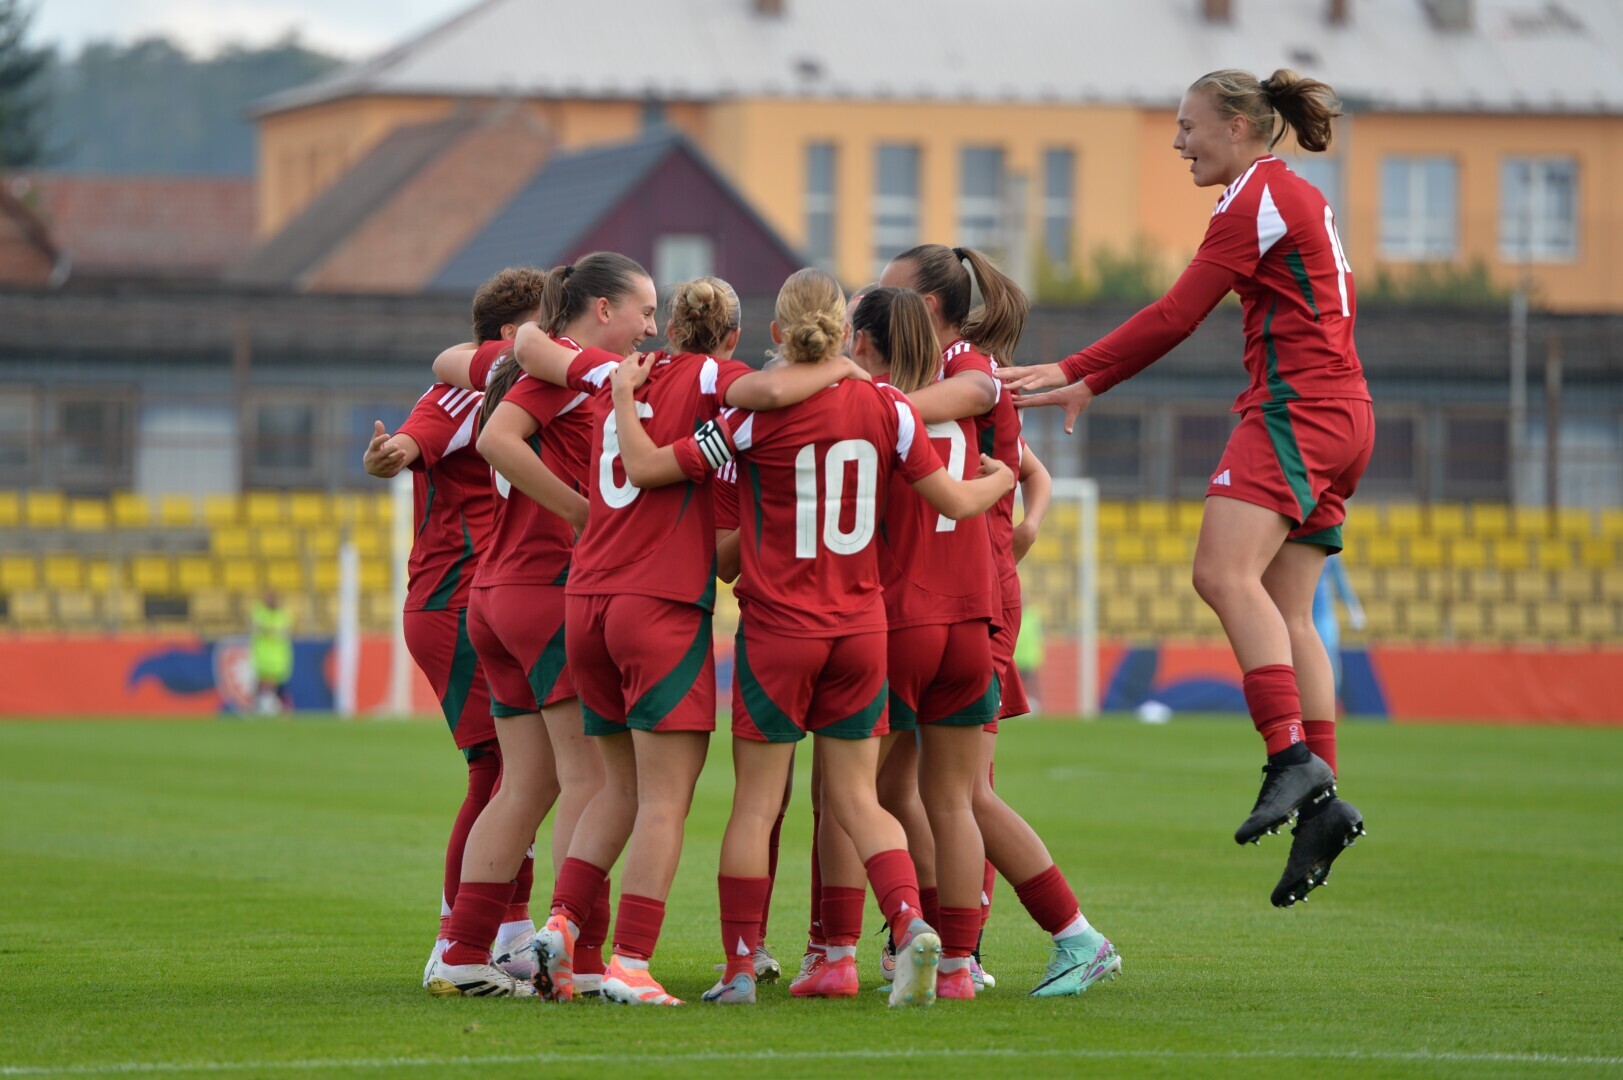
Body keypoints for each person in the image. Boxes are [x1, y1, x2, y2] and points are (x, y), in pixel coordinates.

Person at [1000, 68, 1372, 907]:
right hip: (1345, 413)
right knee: (1287, 611)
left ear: (1238, 125)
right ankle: (1319, 800)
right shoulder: (1290, 195)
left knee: (1218, 574)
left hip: (1296, 406)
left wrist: (1077, 369)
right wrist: (1092, 382)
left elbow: (1175, 313)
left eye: (1186, 126)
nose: (1176, 142)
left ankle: (1287, 757)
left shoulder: (1253, 200)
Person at [620, 268, 1014, 1008]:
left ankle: (739, 969)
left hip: (777, 630)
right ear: (844, 332)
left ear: (778, 334)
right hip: (862, 631)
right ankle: (909, 925)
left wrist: (620, 398)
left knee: (756, 806)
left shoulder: (748, 417)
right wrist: (1003, 480)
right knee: (861, 801)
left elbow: (647, 468)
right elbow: (958, 501)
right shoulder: (888, 406)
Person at [508, 277, 869, 1005]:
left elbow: (526, 343)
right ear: (734, 337)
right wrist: (845, 367)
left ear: (669, 326)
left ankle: (561, 924)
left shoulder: (620, 371)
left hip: (586, 601)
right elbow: (772, 396)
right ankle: (631, 962)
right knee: (665, 800)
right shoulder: (719, 379)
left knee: (620, 785)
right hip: (658, 604)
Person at [362, 266, 546, 989]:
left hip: (490, 601)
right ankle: (455, 942)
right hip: (454, 602)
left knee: (523, 771)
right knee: (500, 771)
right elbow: (414, 439)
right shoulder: (464, 391)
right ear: (508, 336)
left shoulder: (526, 390)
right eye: (543, 324)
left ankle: (509, 933)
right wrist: (392, 454)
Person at [1314, 553, 1365, 703]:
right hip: (1299, 615)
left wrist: (1354, 609)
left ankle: (1328, 704)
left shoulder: (1330, 554)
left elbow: (1341, 582)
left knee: (1329, 663)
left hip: (1323, 617)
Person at [249, 591, 292, 715]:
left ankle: (285, 708)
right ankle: (256, 707)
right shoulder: (258, 611)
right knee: (260, 683)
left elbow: (283, 630)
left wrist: (267, 629)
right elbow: (257, 627)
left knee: (280, 685)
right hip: (262, 656)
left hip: (278, 657)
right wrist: (272, 630)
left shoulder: (283, 613)